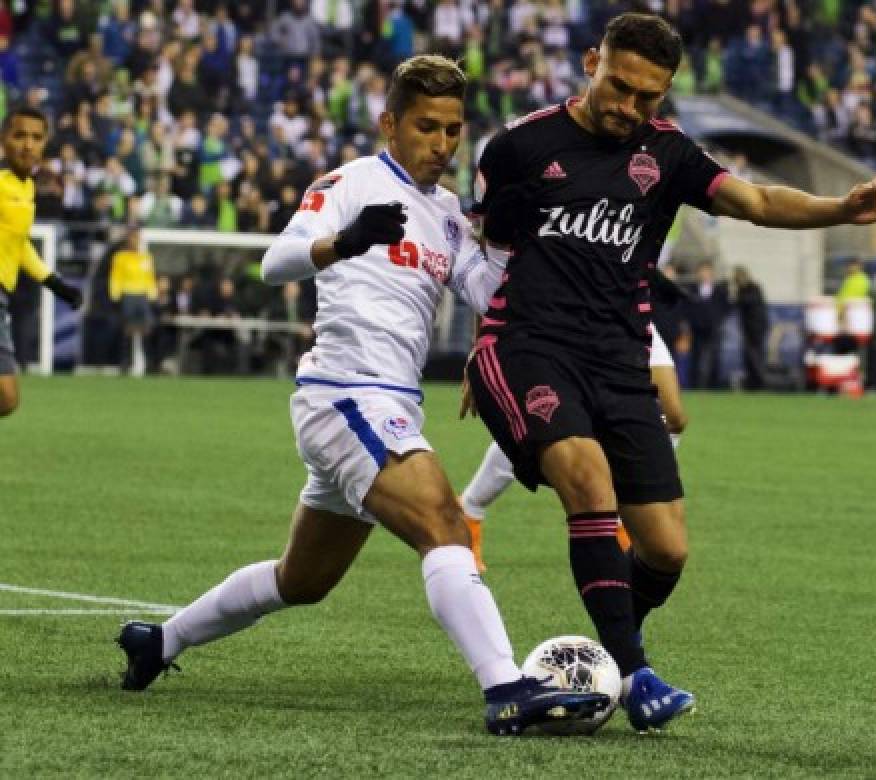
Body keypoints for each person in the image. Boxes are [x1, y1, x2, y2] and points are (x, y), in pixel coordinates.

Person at [114, 55, 607, 737]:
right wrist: (342, 243)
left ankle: (159, 640)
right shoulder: (348, 183)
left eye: (452, 131)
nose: (440, 145)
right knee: (445, 522)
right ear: (390, 123)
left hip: (386, 403)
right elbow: (273, 262)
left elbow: (490, 298)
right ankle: (506, 689)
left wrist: (503, 242)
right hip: (345, 394)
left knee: (302, 579)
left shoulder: (446, 218)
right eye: (425, 127)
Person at [463, 13, 876, 733]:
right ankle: (634, 672)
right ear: (591, 63)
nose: (631, 107)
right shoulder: (518, 146)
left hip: (619, 358)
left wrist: (839, 208)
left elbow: (759, 201)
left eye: (649, 96)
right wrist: (480, 349)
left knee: (666, 549)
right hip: (531, 345)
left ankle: (607, 646)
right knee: (587, 479)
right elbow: (484, 252)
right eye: (620, 86)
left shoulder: (667, 152)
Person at [459, 320, 688, 571]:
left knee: (673, 417)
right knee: (541, 425)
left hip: (624, 313)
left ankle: (624, 519)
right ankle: (470, 511)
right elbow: (491, 283)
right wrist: (482, 346)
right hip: (560, 320)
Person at [0, 106, 82, 416]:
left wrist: (55, 283)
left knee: (7, 401)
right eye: (19, 135)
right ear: (4, 139)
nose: (28, 144)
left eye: (36, 137)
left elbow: (18, 244)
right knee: (6, 397)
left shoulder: (27, 188)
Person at [108, 225, 157, 377]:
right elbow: (116, 276)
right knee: (127, 331)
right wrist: (115, 294)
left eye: (137, 237)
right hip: (128, 294)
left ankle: (149, 364)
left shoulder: (146, 258)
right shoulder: (120, 257)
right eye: (133, 237)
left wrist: (152, 293)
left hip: (143, 295)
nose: (135, 241)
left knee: (147, 330)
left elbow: (150, 277)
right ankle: (125, 364)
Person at [683, 260, 729, 389]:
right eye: (702, 272)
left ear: (712, 273)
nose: (704, 274)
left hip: (713, 329)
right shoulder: (692, 289)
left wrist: (718, 320)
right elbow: (686, 307)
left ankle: (714, 386)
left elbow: (726, 307)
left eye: (707, 271)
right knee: (695, 357)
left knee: (714, 357)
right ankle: (694, 385)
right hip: (697, 328)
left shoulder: (720, 291)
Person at [730, 265, 767, 390]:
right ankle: (752, 382)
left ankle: (760, 382)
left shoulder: (753, 288)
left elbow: (747, 301)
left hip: (756, 329)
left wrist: (736, 297)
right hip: (748, 328)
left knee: (755, 356)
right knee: (748, 356)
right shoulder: (744, 290)